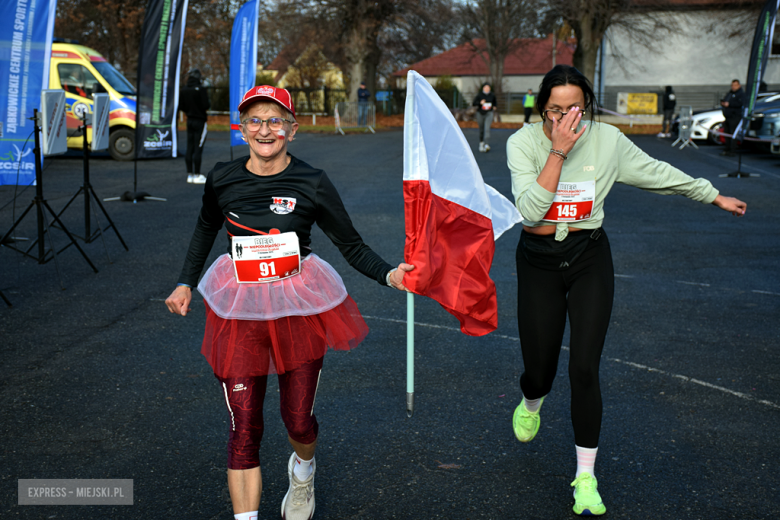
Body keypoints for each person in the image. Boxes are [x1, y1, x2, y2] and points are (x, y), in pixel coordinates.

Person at [506, 65, 746, 517]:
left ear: (588, 107)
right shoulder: (522, 143)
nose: (563, 119)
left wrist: (711, 194)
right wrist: (557, 153)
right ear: (542, 108)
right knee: (540, 369)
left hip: (589, 257)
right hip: (538, 261)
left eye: (572, 109)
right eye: (553, 110)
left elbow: (656, 172)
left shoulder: (608, 140)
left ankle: (584, 477)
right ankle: (531, 399)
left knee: (584, 367)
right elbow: (530, 209)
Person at [164, 85, 413, 520]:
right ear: (242, 129)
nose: (265, 129)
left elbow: (351, 245)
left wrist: (390, 275)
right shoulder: (222, 177)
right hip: (239, 308)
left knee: (298, 420)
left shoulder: (312, 181)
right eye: (255, 120)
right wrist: (185, 282)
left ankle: (303, 468)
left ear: (292, 130)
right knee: (243, 426)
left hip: (297, 304)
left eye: (275, 120)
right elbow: (206, 228)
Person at [179, 69, 211, 184]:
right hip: (200, 121)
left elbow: (181, 105)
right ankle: (197, 174)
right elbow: (206, 105)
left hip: (189, 120)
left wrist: (189, 112)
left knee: (190, 147)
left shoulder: (184, 89)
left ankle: (190, 174)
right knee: (198, 147)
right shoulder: (201, 89)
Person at [720, 79, 746, 156]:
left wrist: (730, 104)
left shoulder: (741, 94)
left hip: (735, 117)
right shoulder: (730, 93)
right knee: (727, 134)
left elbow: (740, 103)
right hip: (727, 117)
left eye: (735, 85)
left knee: (733, 133)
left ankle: (732, 150)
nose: (733, 87)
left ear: (739, 85)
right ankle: (727, 148)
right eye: (732, 85)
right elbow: (726, 100)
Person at [473, 83, 497, 152]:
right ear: (483, 88)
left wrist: (495, 106)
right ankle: (481, 143)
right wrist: (480, 103)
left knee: (487, 128)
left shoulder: (492, 95)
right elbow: (474, 103)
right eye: (485, 87)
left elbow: (495, 102)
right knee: (481, 129)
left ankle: (486, 144)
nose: (487, 89)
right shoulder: (479, 95)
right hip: (480, 113)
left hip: (489, 113)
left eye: (488, 87)